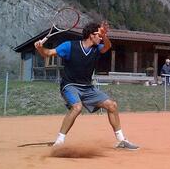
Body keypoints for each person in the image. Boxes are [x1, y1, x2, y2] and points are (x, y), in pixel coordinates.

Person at [34, 21, 139, 150]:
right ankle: (59, 142)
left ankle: (122, 140)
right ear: (91, 35)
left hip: (88, 88)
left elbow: (107, 46)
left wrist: (104, 36)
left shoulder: (97, 48)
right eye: (99, 35)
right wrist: (40, 48)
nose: (101, 38)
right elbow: (48, 53)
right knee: (77, 107)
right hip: (70, 85)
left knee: (112, 105)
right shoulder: (69, 46)